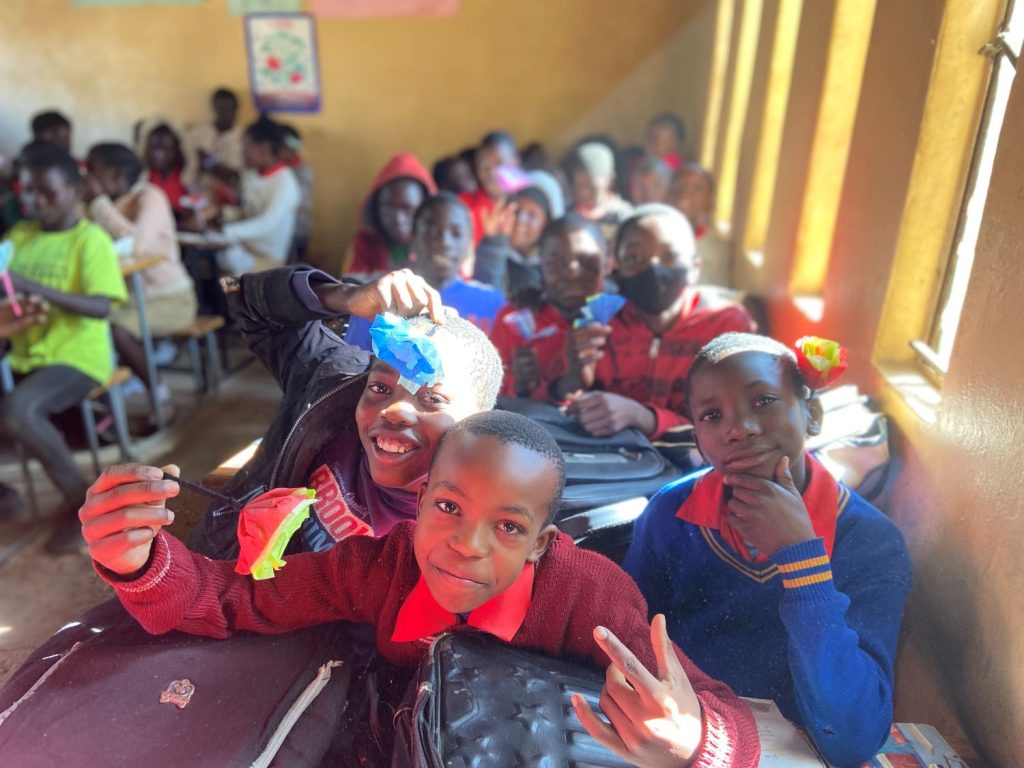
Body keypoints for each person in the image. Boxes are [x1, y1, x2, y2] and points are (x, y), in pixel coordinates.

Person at [83, 411, 761, 768]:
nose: (467, 545)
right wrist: (137, 559)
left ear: (542, 541)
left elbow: (723, 715)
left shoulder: (591, 597)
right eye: (448, 509)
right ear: (419, 498)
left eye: (508, 526)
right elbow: (236, 601)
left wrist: (689, 742)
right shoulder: (377, 568)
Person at [623, 333, 912, 765]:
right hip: (682, 739)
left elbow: (852, 737)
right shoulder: (671, 512)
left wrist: (803, 563)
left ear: (811, 414)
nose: (738, 428)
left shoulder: (870, 542)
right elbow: (631, 638)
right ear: (697, 436)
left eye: (763, 401)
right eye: (712, 414)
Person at [84, 266, 503, 559]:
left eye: (431, 399)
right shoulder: (332, 383)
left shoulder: (475, 529)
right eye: (380, 386)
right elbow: (248, 300)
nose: (393, 408)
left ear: (478, 423)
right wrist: (343, 295)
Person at [0, 142, 128, 552]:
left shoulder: (90, 240)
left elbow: (100, 306)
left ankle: (83, 504)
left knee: (20, 411)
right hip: (24, 350)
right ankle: (4, 494)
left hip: (77, 357)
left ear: (74, 189)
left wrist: (32, 287)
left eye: (47, 193)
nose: (36, 202)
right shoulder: (20, 235)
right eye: (28, 193)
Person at [555, 204, 754, 443]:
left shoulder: (727, 326)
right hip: (617, 464)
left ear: (694, 268)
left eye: (669, 256)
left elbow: (736, 424)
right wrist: (573, 382)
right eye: (633, 258)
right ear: (616, 271)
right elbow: (561, 407)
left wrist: (644, 418)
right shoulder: (598, 322)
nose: (652, 269)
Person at [84, 142, 198, 408]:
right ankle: (102, 407)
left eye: (93, 171)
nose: (87, 179)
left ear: (116, 174)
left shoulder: (149, 196)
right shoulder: (102, 205)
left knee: (116, 329)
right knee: (89, 323)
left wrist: (98, 203)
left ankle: (160, 396)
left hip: (171, 298)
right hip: (131, 300)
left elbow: (137, 246)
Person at [345, 193, 504, 345]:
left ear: (469, 243)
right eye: (432, 231)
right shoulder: (380, 298)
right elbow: (350, 365)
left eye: (456, 234)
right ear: (413, 239)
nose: (444, 243)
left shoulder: (494, 303)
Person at [490, 214, 608, 400]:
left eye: (586, 261)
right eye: (554, 263)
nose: (571, 273)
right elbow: (488, 397)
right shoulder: (514, 320)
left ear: (607, 264)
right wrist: (519, 386)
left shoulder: (623, 320)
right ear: (540, 267)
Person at [213, 117, 301, 276]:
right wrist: (219, 214)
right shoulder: (252, 175)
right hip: (244, 250)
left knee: (227, 262)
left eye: (246, 146)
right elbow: (247, 210)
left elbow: (265, 224)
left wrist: (225, 232)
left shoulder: (286, 184)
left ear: (263, 149)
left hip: (266, 261)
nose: (242, 152)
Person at [474, 169, 566, 297]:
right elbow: (486, 299)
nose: (520, 221)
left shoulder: (559, 267)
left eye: (532, 215)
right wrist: (493, 248)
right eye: (516, 211)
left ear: (547, 223)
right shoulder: (492, 251)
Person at [344, 153, 435, 275]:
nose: (398, 219)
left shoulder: (439, 244)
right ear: (375, 207)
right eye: (388, 208)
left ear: (425, 208)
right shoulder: (366, 245)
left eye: (408, 209)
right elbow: (351, 284)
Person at [667, 163, 731, 287]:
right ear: (667, 194)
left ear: (709, 203)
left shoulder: (716, 252)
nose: (685, 194)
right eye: (679, 186)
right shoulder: (651, 240)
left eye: (697, 189)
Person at [459, 131, 520, 248]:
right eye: (485, 166)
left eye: (499, 163)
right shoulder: (464, 207)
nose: (492, 173)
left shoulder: (528, 207)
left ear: (515, 163)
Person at [566, 142, 632, 241]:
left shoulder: (623, 216)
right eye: (579, 183)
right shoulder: (566, 214)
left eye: (589, 182)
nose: (582, 181)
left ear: (609, 179)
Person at [136, 118, 197, 218]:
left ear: (177, 150)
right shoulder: (143, 177)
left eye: (165, 148)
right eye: (153, 147)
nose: (158, 154)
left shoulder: (187, 177)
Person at [187, 87, 245, 176]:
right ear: (213, 107)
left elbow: (243, 173)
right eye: (220, 108)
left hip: (234, 186)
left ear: (236, 108)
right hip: (202, 186)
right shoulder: (197, 134)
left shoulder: (244, 136)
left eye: (229, 108)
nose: (224, 113)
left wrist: (211, 163)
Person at [279, 124, 314, 264]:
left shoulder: (302, 170)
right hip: (281, 231)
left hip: (297, 231)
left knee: (289, 272)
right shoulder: (279, 169)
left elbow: (298, 205)